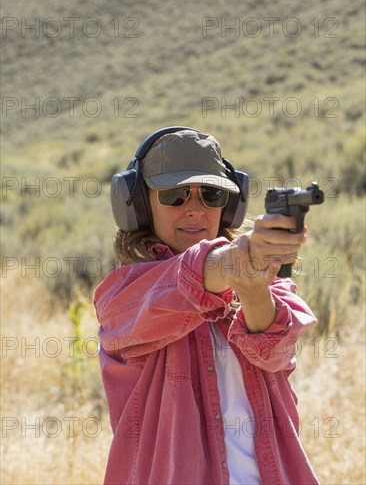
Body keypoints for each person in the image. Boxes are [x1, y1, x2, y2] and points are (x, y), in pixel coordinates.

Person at [94, 127, 319, 485]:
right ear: (138, 205)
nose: (195, 210)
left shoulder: (263, 279)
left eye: (211, 194)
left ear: (229, 205)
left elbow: (274, 354)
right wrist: (236, 262)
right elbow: (180, 284)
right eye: (175, 195)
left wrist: (253, 286)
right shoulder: (123, 295)